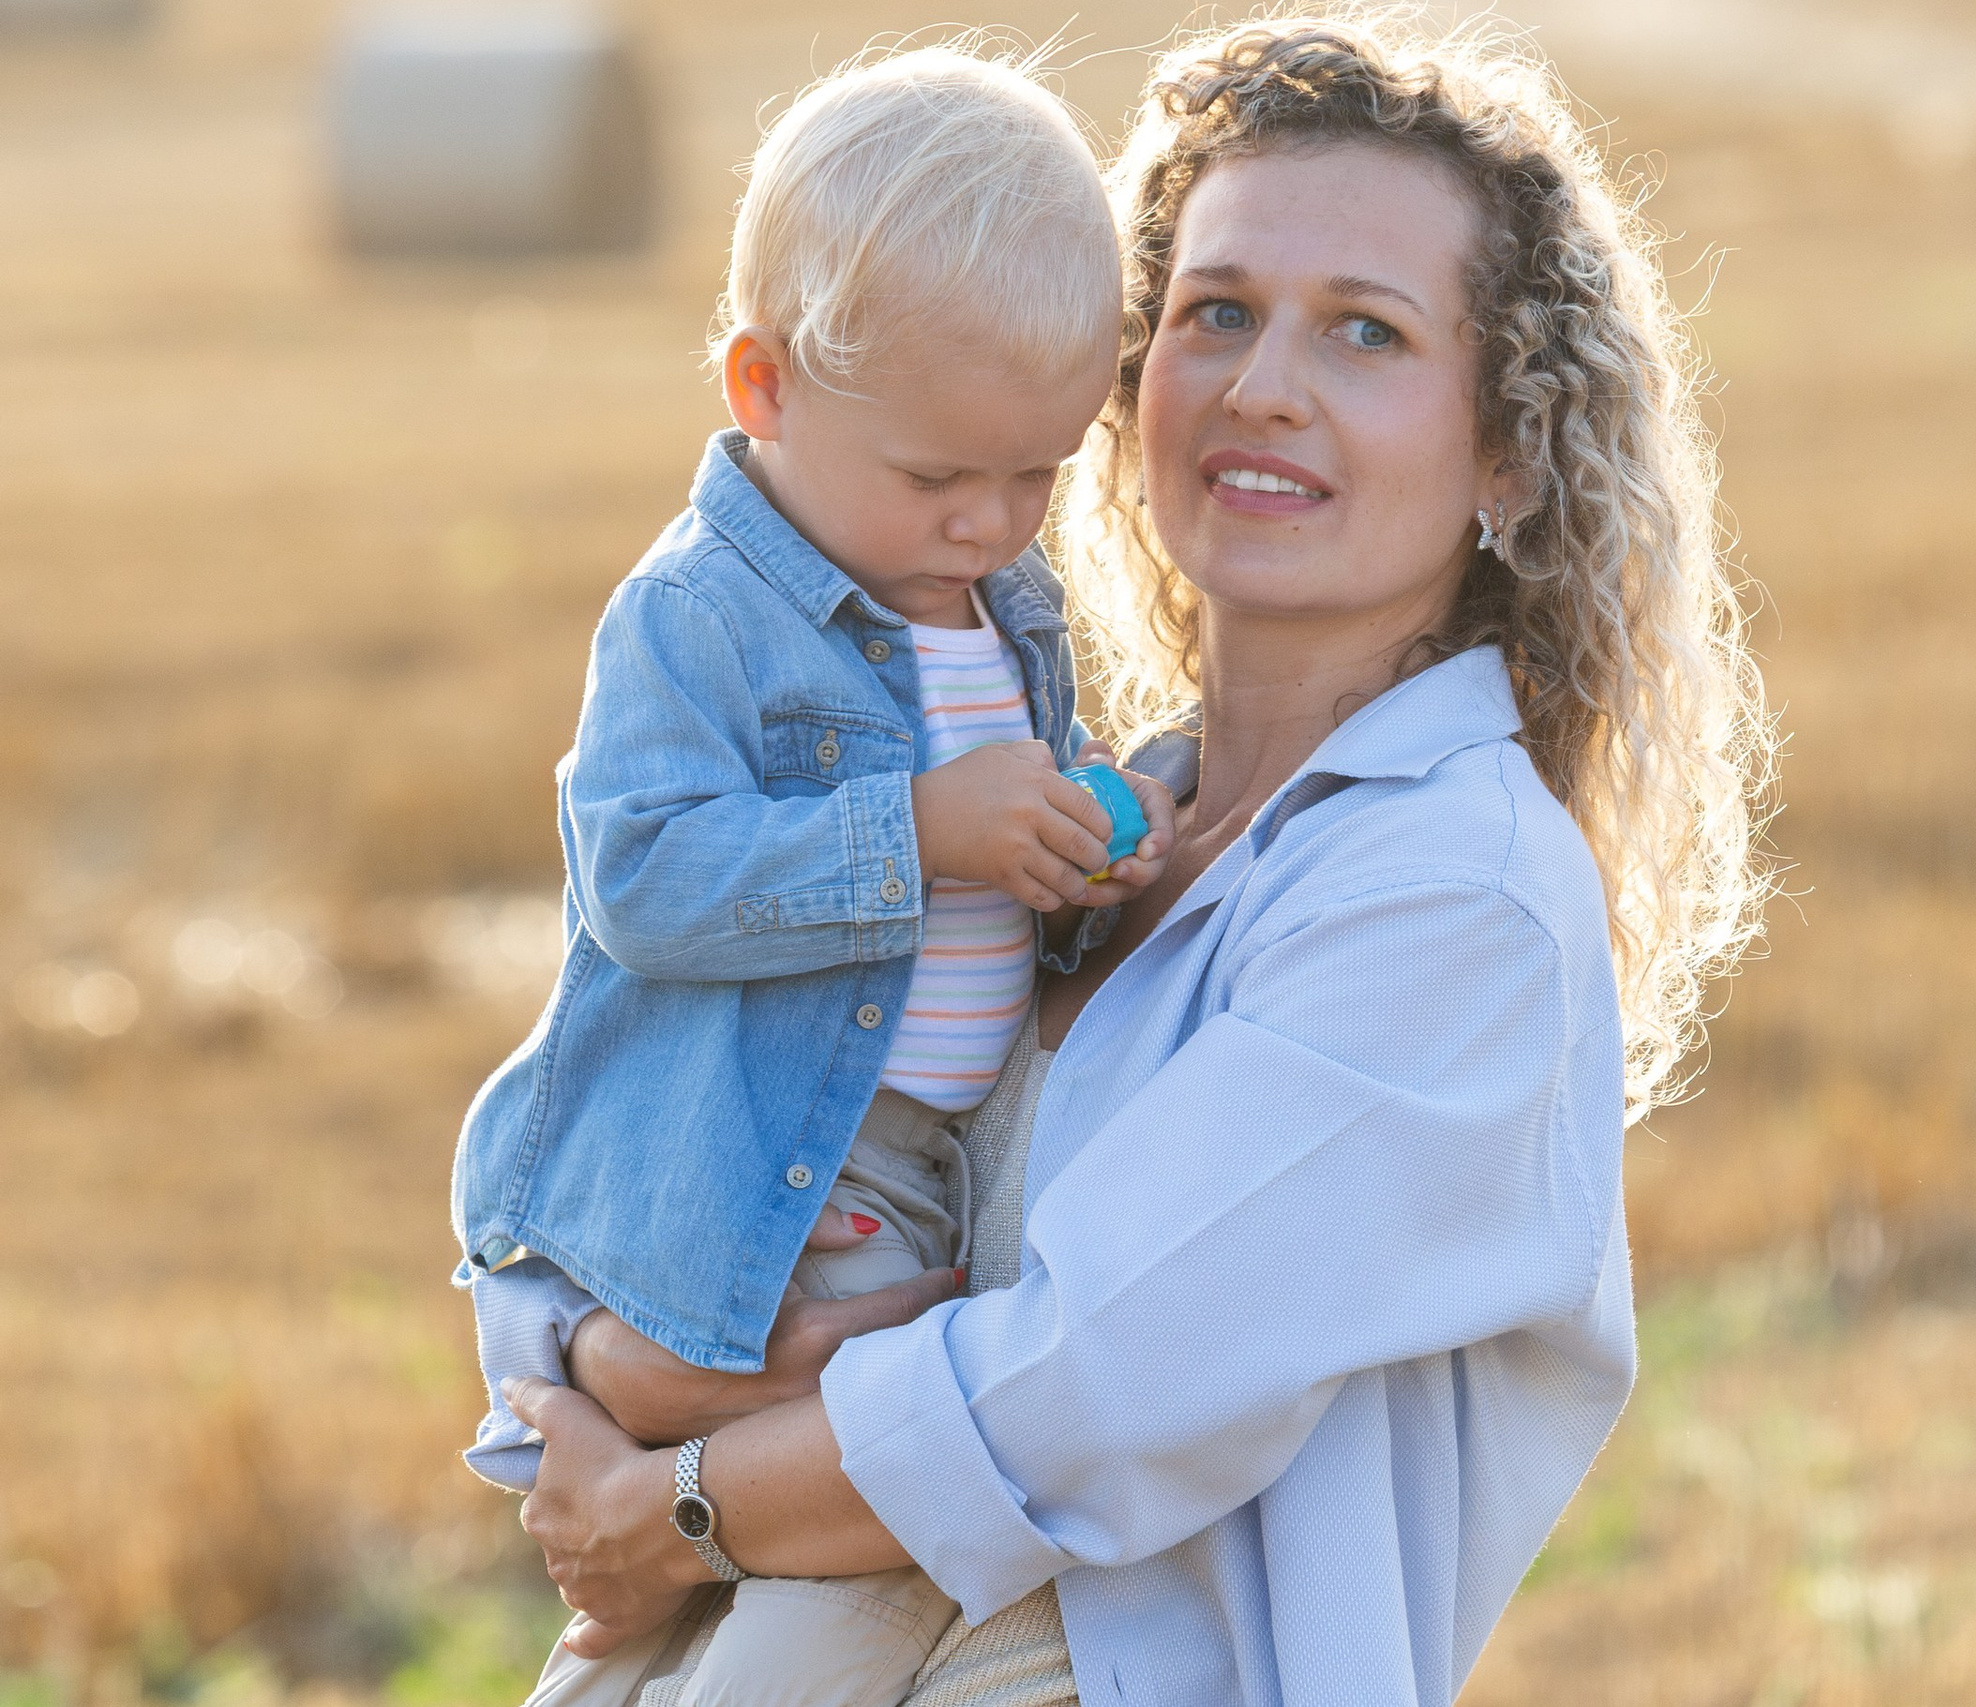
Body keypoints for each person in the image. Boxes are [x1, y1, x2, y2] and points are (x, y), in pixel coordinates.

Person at [503, 16, 1780, 1706]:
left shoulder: (1454, 898)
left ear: (1508, 451)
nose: (1264, 384)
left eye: (1367, 334)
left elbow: (1089, 1384)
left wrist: (672, 1500)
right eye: (1218, 312)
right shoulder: (1077, 821)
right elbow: (643, 1098)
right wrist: (579, 1346)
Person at [445, 47, 1175, 1707]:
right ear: (761, 388)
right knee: (837, 1565)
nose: (993, 522)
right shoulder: (702, 615)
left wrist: (1089, 843)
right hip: (774, 1176)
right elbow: (642, 877)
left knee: (709, 1579)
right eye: (940, 476)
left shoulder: (1002, 605)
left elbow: (1000, 887)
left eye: (1040, 474)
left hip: (921, 1177)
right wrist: (919, 831)